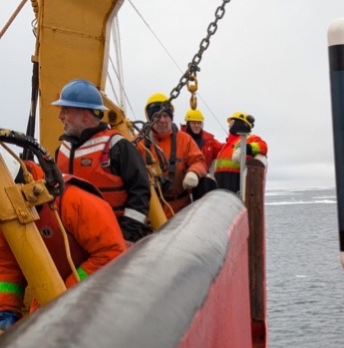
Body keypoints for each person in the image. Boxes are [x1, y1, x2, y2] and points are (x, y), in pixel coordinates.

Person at [0, 161, 126, 332]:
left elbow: (112, 253)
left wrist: (63, 294)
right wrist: (6, 311)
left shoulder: (73, 200)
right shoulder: (7, 215)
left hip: (100, 300)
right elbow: (8, 266)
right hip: (50, 305)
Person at [52, 78, 151, 244]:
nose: (60, 116)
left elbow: (140, 192)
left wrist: (126, 236)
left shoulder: (118, 147)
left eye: (65, 109)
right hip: (73, 243)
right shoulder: (61, 151)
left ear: (84, 114)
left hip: (112, 240)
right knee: (81, 272)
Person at [140, 93, 212, 215]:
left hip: (180, 208)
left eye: (165, 115)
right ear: (150, 119)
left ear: (171, 117)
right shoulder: (139, 143)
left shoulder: (185, 140)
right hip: (150, 209)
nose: (162, 120)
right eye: (157, 116)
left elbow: (199, 161)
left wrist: (193, 172)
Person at [212, 112, 268, 193]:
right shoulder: (228, 144)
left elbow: (263, 147)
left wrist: (246, 148)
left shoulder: (249, 138)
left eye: (231, 122)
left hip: (236, 183)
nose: (229, 125)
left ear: (239, 123)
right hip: (221, 185)